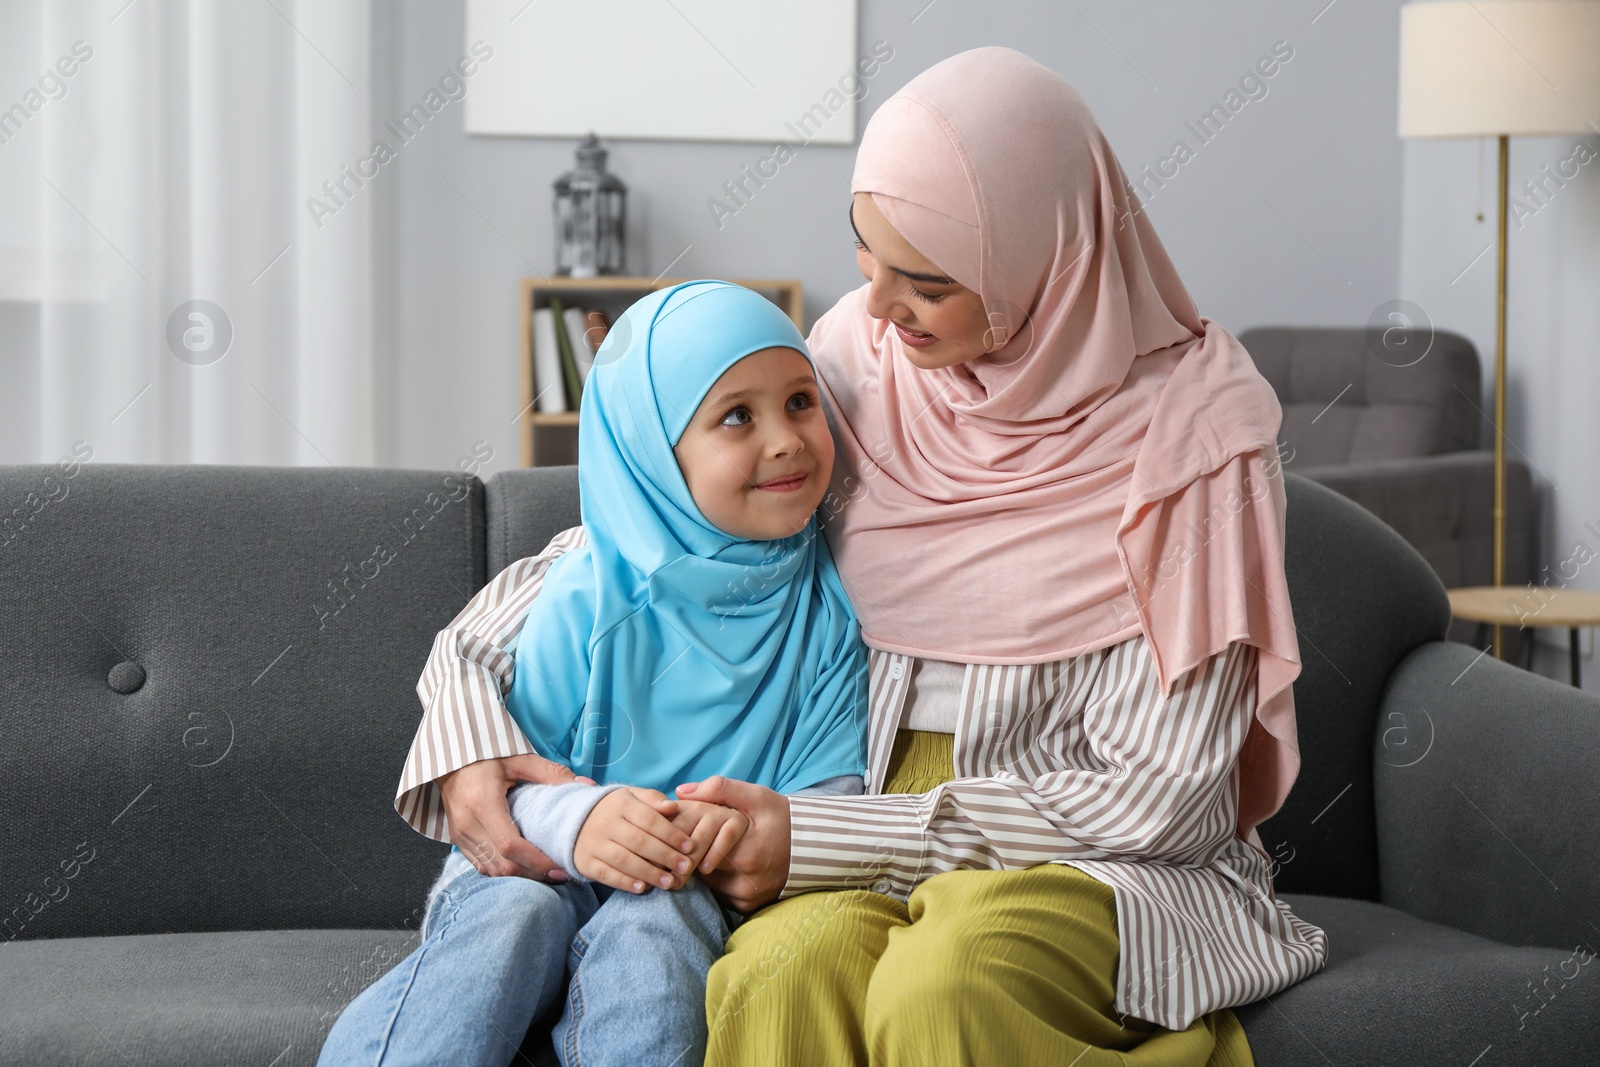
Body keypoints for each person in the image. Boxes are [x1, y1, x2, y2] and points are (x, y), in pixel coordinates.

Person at [414, 46, 1331, 1066]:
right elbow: (650, 535)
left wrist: (825, 837)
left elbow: (1161, 798)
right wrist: (463, 742)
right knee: (772, 974)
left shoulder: (1199, 443)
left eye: (927, 281)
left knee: (947, 982)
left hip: (1099, 858)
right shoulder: (856, 363)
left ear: (1046, 257)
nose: (882, 306)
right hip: (844, 827)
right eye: (865, 255)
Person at [317, 280, 869, 1067]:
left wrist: (739, 828)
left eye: (802, 402)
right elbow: (506, 780)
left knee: (662, 918)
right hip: (529, 861)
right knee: (516, 917)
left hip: (687, 885)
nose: (785, 440)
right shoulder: (588, 593)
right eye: (736, 416)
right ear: (653, 451)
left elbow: (825, 800)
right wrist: (584, 824)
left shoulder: (827, 612)